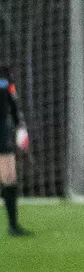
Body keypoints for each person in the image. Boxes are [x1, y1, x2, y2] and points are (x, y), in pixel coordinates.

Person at [0, 65, 28, 237]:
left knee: (10, 177)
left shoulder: (4, 76)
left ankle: (13, 226)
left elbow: (13, 103)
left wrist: (20, 127)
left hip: (2, 130)